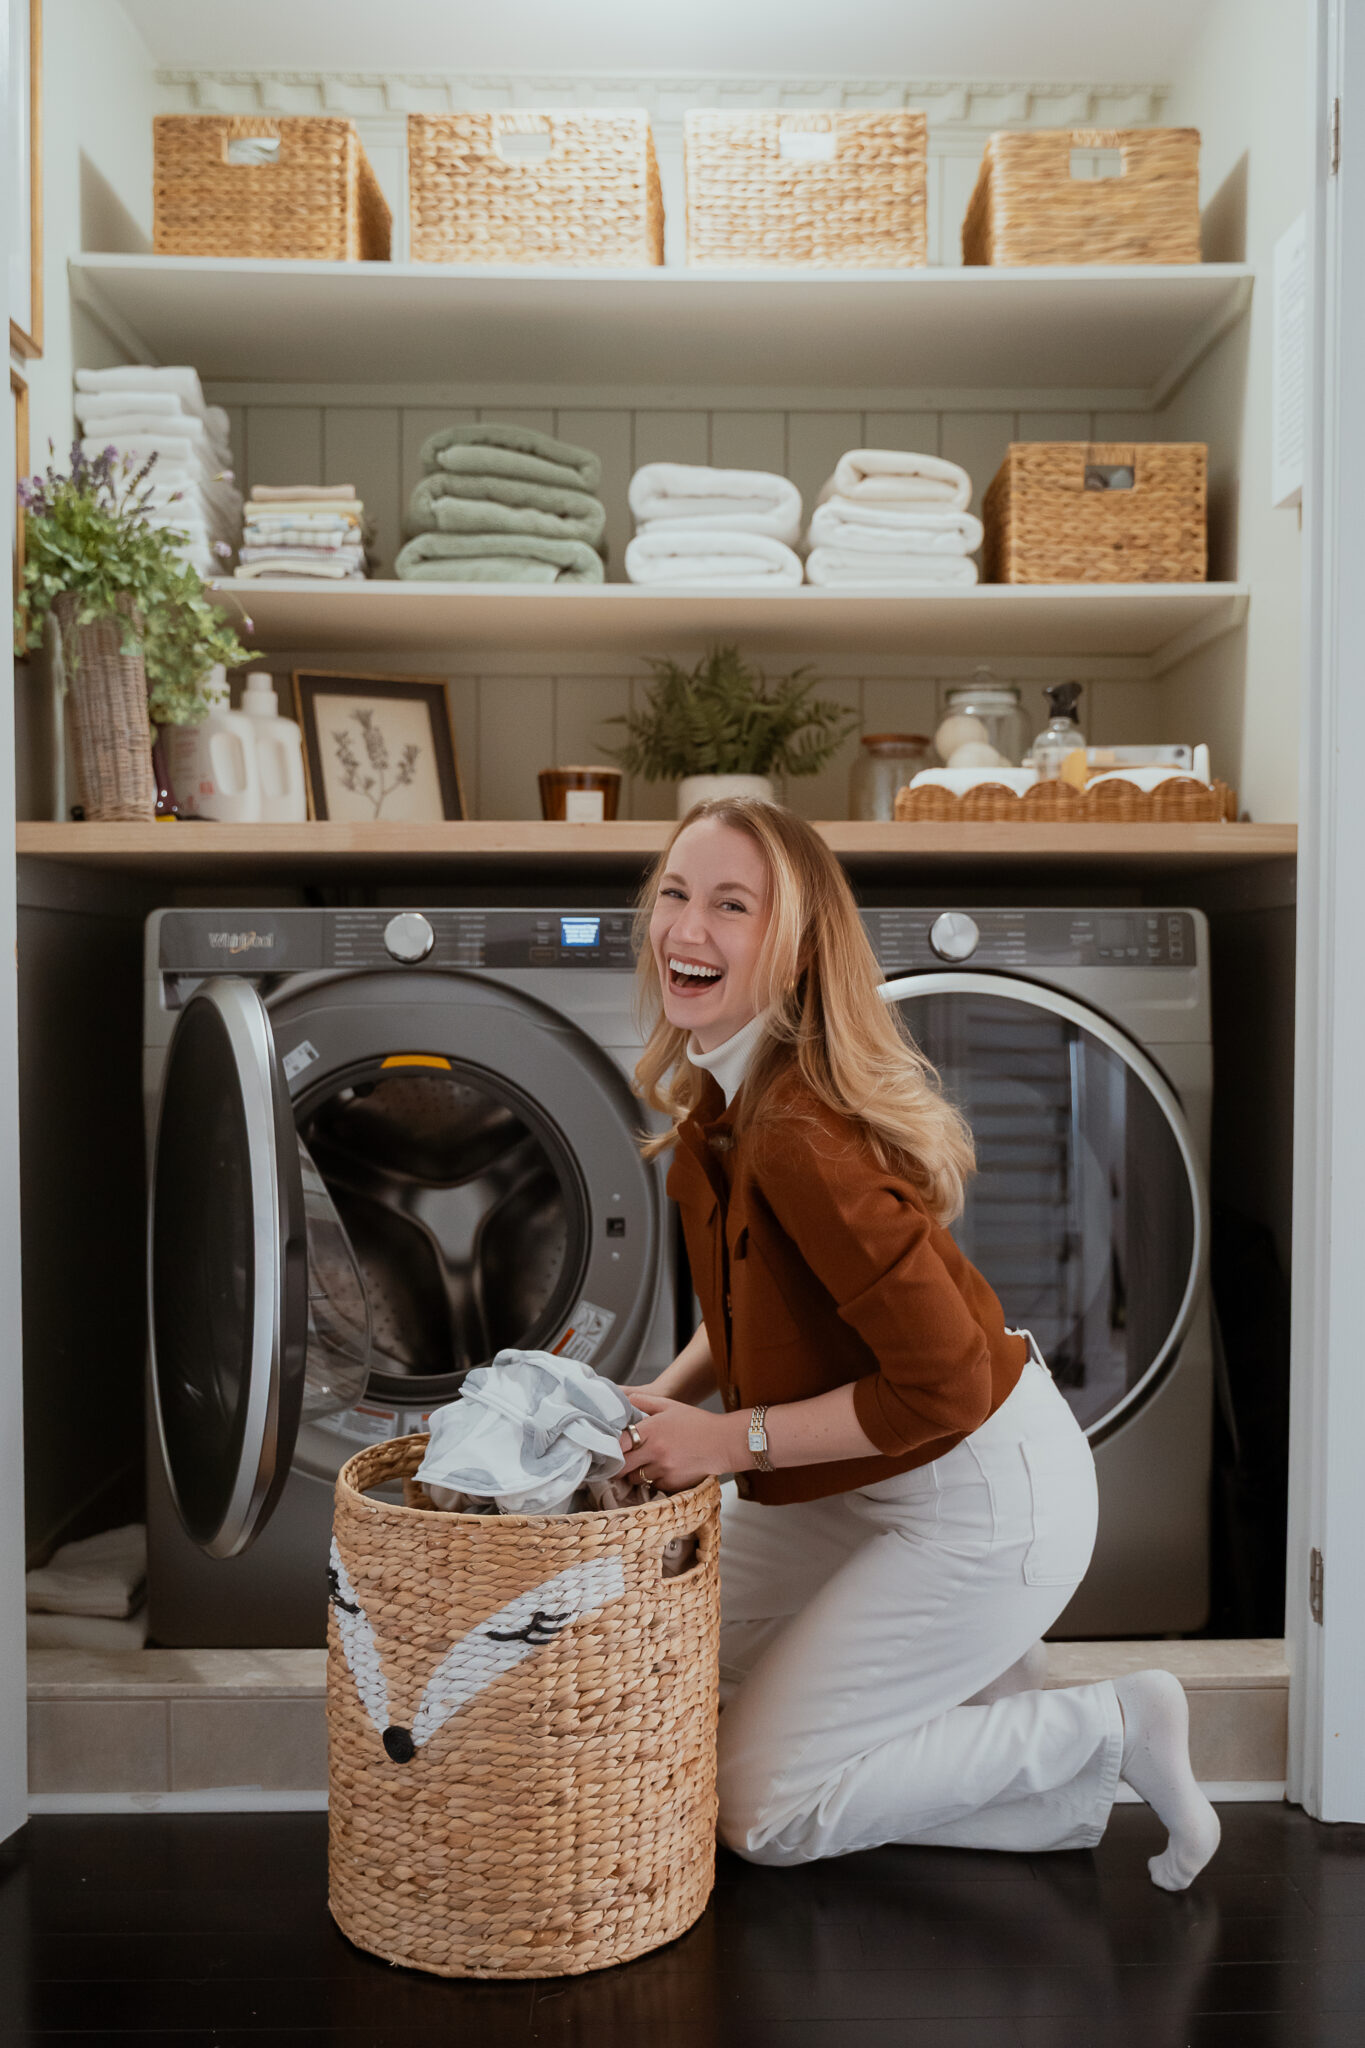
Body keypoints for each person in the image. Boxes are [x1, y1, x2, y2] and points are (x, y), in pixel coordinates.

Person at [618, 796, 1220, 1891]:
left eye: (732, 905)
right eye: (675, 893)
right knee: (664, 1623)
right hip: (866, 1473)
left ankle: (1106, 1726)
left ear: (798, 950)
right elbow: (755, 1303)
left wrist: (720, 1443)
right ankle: (987, 1704)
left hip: (980, 1498)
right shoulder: (726, 1099)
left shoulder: (799, 1136)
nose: (685, 928)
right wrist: (653, 1400)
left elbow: (941, 1384)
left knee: (758, 1806)